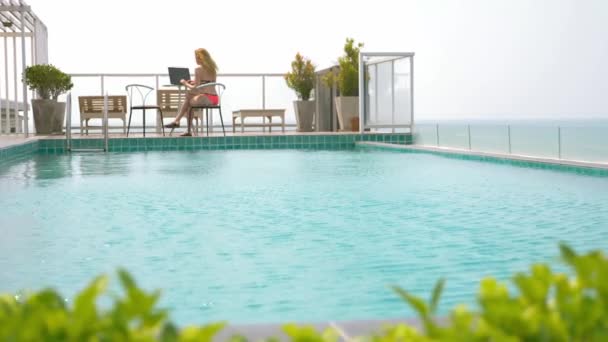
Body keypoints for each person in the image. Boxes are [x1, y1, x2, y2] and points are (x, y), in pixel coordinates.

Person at [165, 48, 219, 136]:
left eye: (196, 57)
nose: (195, 59)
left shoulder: (198, 70)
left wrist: (185, 83)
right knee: (189, 101)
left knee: (189, 97)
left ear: (200, 58)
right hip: (215, 98)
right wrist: (194, 82)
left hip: (206, 98)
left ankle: (178, 121)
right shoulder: (213, 70)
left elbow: (195, 88)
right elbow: (208, 83)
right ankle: (183, 127)